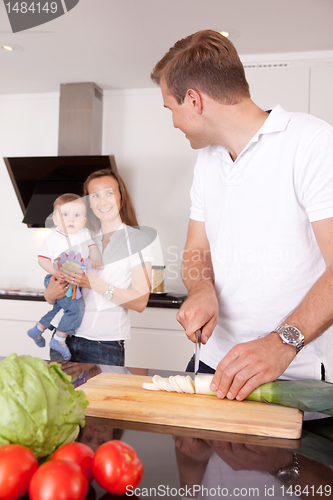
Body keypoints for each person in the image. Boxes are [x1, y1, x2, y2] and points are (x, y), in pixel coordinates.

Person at [151, 30, 333, 401]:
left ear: (193, 100)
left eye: (170, 108)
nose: (173, 122)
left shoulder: (312, 142)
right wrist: (202, 289)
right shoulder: (208, 161)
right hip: (211, 365)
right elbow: (197, 250)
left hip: (291, 374)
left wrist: (281, 344)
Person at [44, 169, 153, 366]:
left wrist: (93, 283)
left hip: (103, 346)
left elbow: (140, 301)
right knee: (59, 397)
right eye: (95, 196)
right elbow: (57, 293)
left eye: (109, 193)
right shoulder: (82, 236)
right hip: (62, 338)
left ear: (121, 196)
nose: (102, 201)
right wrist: (50, 294)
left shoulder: (137, 241)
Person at [27, 193, 103, 361]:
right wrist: (55, 273)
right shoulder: (52, 237)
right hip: (57, 279)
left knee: (61, 308)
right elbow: (42, 259)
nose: (71, 219)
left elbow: (92, 248)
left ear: (83, 220)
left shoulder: (84, 233)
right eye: (65, 215)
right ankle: (59, 339)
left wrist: (96, 259)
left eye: (77, 215)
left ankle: (38, 329)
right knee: (76, 309)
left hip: (74, 281)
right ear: (55, 219)